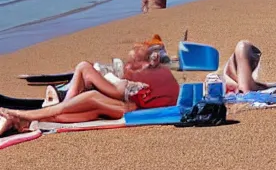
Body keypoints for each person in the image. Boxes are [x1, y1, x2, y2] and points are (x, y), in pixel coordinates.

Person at [0, 43, 180, 136]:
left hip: (129, 109)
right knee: (72, 109)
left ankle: (22, 115)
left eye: (135, 61)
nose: (132, 65)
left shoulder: (150, 76)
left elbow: (120, 94)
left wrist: (112, 81)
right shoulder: (162, 76)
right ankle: (23, 120)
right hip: (127, 105)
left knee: (90, 96)